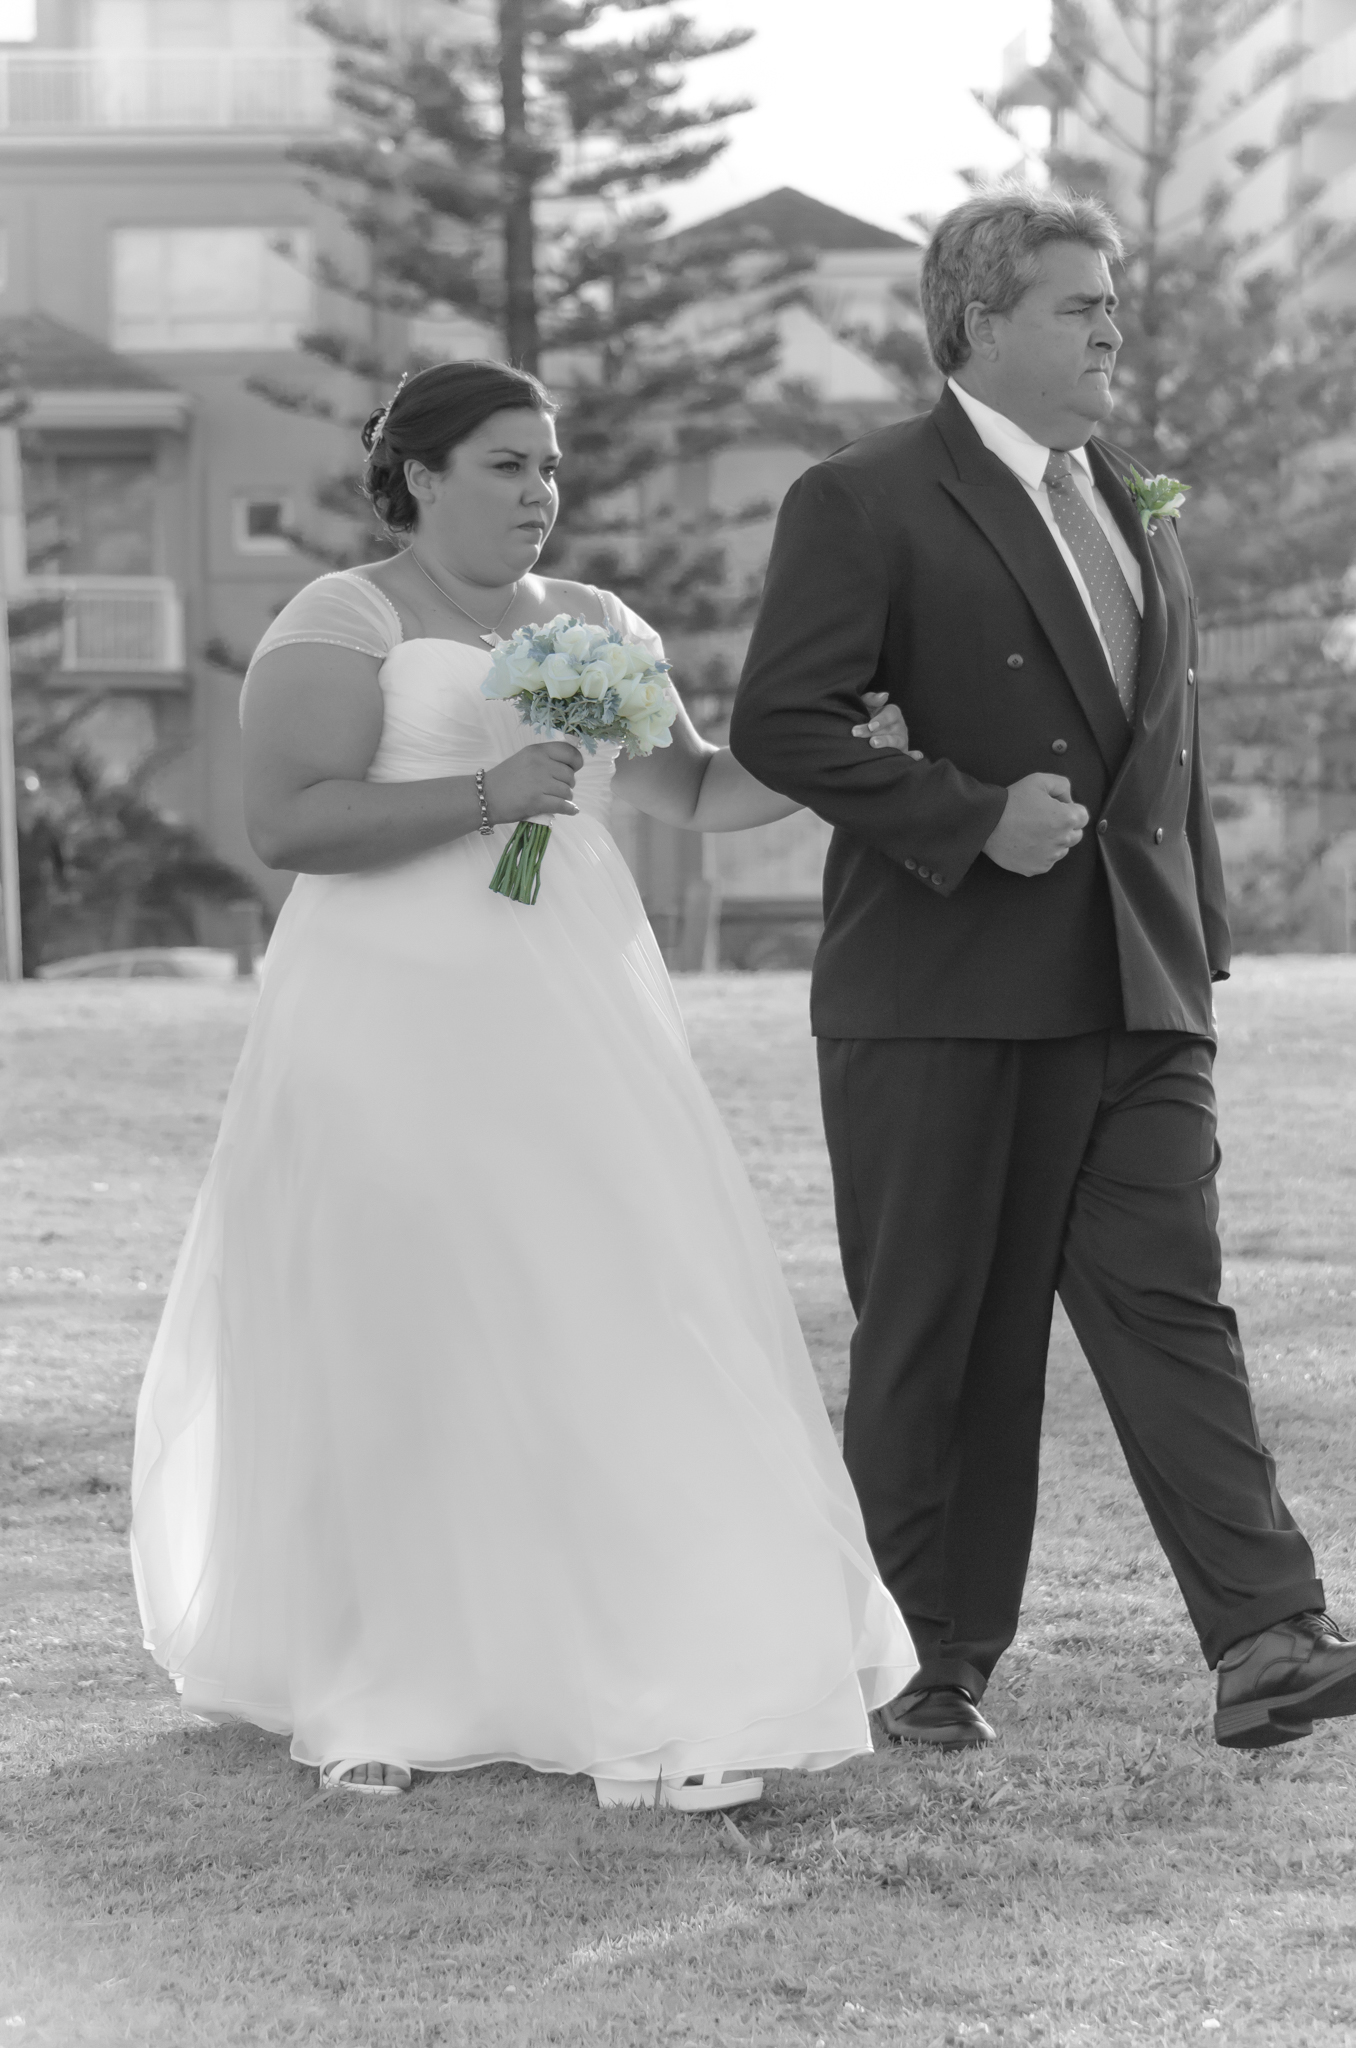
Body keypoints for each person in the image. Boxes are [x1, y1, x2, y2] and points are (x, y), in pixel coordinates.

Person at [130, 359, 917, 1807]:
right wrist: (487, 795)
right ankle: (381, 1680)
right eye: (504, 463)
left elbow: (687, 792)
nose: (539, 491)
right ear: (419, 475)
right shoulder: (346, 615)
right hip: (384, 1015)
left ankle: (637, 1668)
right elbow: (289, 819)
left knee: (605, 1299)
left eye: (549, 465)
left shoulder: (601, 624)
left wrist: (835, 759)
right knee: (406, 1318)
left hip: (572, 1006)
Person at [729, 187, 1356, 1755]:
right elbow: (780, 723)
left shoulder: (1134, 505)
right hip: (941, 993)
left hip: (1139, 994)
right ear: (980, 318)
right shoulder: (863, 498)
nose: (1112, 331)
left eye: (1115, 304)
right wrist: (966, 817)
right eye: (1080, 305)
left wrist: (1197, 947)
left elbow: (1171, 752)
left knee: (1173, 1310)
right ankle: (918, 1667)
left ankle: (1269, 1639)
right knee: (947, 1333)